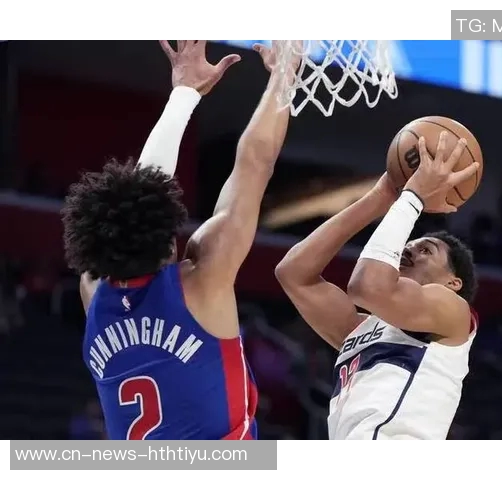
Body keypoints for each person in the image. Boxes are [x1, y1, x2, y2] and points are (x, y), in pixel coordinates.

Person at [61, 40, 296, 440]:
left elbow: (136, 202)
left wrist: (185, 94)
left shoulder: (94, 293)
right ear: (168, 242)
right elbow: (253, 161)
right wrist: (283, 74)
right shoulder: (200, 280)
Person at [275, 132, 480, 440]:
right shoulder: (361, 330)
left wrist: (413, 197)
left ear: (453, 282)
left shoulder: (454, 313)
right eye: (409, 244)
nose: (409, 249)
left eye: (426, 250)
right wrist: (381, 194)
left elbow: (367, 287)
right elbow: (293, 273)